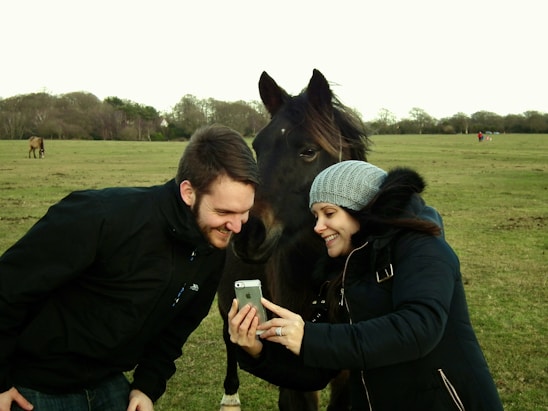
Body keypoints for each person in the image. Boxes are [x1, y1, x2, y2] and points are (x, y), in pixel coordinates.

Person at [0, 124, 260, 411]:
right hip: (33, 386)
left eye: (244, 211)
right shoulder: (100, 217)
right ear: (188, 192)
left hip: (108, 383)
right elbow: (8, 288)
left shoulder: (212, 246)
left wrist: (147, 386)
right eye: (224, 212)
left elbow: (176, 330)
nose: (236, 226)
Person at [229, 160, 504, 410]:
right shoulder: (343, 272)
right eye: (316, 216)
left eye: (329, 213)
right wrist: (257, 350)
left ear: (361, 209)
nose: (318, 226)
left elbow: (419, 327)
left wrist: (309, 337)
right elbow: (319, 368)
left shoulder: (423, 248)